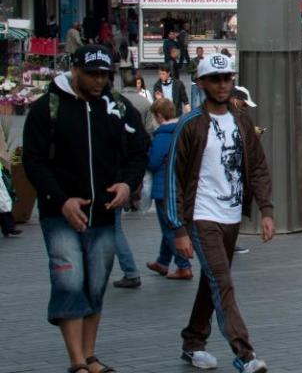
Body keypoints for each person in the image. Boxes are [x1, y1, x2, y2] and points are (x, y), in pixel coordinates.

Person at [22, 45, 149, 373]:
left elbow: (138, 153)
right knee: (69, 281)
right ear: (74, 70)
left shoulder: (117, 107)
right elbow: (34, 162)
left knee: (95, 283)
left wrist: (127, 184)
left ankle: (90, 356)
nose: (98, 81)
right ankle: (76, 361)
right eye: (92, 74)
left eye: (104, 75)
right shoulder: (46, 109)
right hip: (60, 215)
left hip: (105, 214)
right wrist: (60, 199)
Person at [163, 53, 274, 373]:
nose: (223, 85)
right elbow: (173, 178)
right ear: (201, 84)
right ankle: (245, 354)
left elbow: (258, 168)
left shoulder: (241, 121)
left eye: (227, 79)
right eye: (215, 79)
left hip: (231, 216)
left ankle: (192, 342)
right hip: (201, 216)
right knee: (223, 281)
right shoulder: (189, 125)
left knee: (212, 281)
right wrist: (178, 228)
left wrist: (266, 209)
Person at [145, 98, 193, 280]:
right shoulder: (182, 130)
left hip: (162, 187)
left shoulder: (162, 135)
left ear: (159, 115)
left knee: (168, 229)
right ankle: (162, 262)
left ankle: (183, 266)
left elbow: (153, 161)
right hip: (180, 185)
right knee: (169, 225)